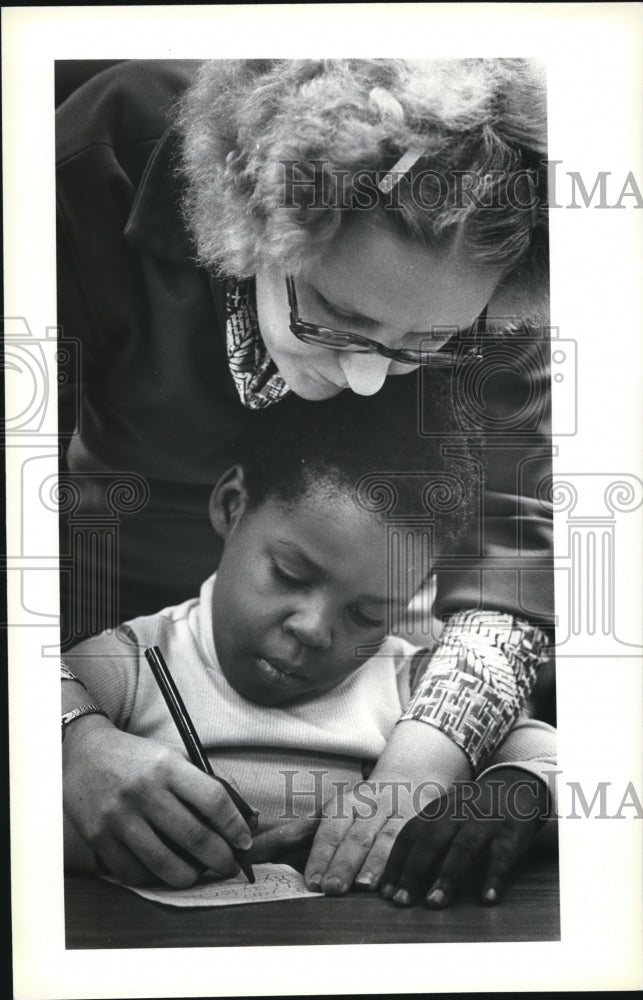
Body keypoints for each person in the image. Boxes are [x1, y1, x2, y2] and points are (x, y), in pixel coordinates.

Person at [57, 58, 554, 890]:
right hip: (96, 611)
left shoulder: (507, 264)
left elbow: (515, 540)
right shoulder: (99, 161)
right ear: (251, 223)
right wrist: (65, 737)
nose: (365, 382)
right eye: (340, 317)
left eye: (429, 344)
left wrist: (411, 778)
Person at [62, 385, 555, 899]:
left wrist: (519, 793)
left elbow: (563, 764)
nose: (314, 629)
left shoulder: (414, 688)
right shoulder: (126, 664)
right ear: (232, 507)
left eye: (367, 614)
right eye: (290, 574)